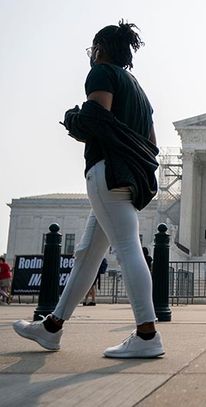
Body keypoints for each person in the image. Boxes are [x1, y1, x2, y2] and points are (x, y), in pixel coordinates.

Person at [13, 20, 164, 358]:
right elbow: (152, 144)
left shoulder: (102, 73)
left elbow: (95, 116)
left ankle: (146, 333)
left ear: (100, 48)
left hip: (106, 173)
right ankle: (52, 326)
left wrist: (73, 120)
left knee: (127, 248)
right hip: (130, 179)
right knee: (87, 255)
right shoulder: (140, 91)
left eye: (93, 49)